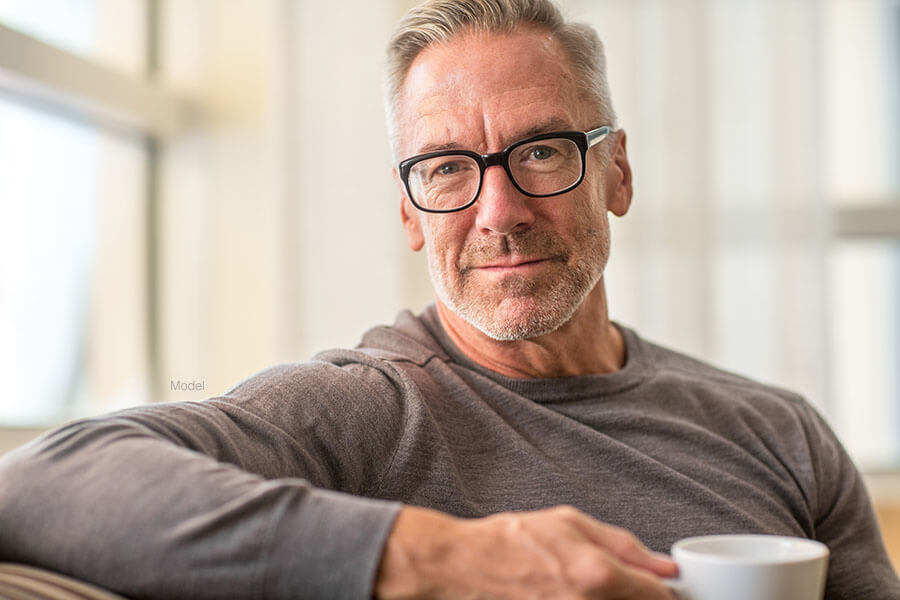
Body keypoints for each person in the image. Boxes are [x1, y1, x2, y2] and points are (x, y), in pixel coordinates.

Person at [1, 0, 898, 598]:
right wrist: (450, 557)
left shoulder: (781, 432)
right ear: (408, 211)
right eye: (445, 169)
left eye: (542, 151)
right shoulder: (363, 409)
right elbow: (38, 485)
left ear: (615, 171)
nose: (496, 211)